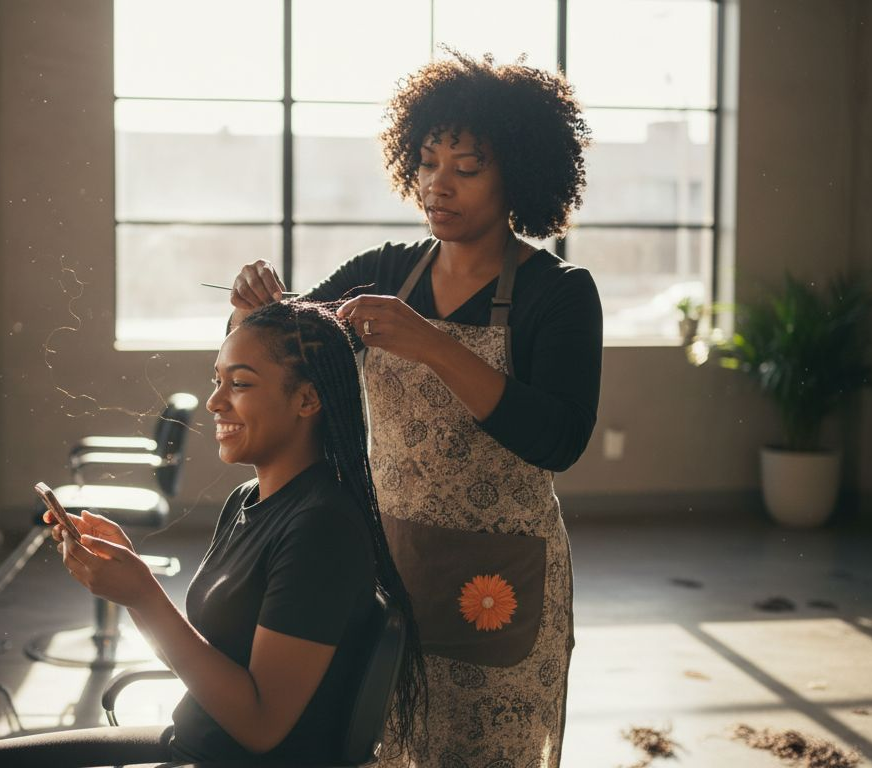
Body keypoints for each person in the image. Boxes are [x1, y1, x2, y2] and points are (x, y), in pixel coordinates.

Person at [229, 52, 601, 768]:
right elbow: (291, 354)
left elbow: (558, 438)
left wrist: (433, 345)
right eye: (428, 163)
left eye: (467, 167)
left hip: (501, 579)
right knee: (384, 742)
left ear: (518, 173)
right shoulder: (387, 270)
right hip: (386, 562)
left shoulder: (560, 293)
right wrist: (254, 312)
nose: (438, 185)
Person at [0, 301, 424, 768]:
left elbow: (261, 727)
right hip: (191, 742)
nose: (215, 401)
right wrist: (127, 580)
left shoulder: (322, 529)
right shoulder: (247, 501)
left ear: (307, 398)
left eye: (240, 384)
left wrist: (144, 596)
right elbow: (207, 658)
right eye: (217, 381)